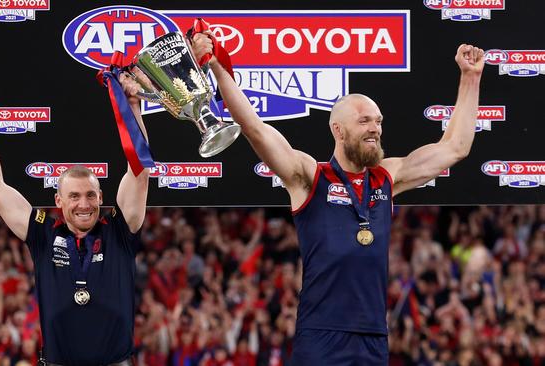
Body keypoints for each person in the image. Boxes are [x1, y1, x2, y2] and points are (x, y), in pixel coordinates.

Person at [191, 33, 485, 364]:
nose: (375, 128)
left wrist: (470, 77)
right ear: (338, 131)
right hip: (321, 335)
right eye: (364, 121)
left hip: (374, 336)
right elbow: (256, 129)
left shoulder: (388, 177)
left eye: (378, 121)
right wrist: (216, 65)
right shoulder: (309, 177)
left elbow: (455, 148)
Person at [0, 74, 150, 366]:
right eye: (74, 196)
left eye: (91, 195)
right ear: (58, 201)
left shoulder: (120, 230)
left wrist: (132, 108)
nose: (83, 204)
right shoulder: (43, 234)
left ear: (101, 198)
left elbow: (140, 171)